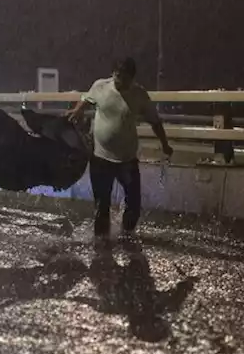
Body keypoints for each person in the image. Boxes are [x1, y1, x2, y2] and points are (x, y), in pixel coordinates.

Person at [66, 58, 174, 238]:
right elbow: (86, 99)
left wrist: (165, 144)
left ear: (132, 78)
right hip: (100, 158)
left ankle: (127, 235)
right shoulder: (100, 86)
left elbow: (155, 121)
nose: (120, 82)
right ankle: (101, 243)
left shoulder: (139, 95)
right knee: (102, 205)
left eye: (125, 78)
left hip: (127, 160)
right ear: (112, 74)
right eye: (117, 77)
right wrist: (78, 110)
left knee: (133, 203)